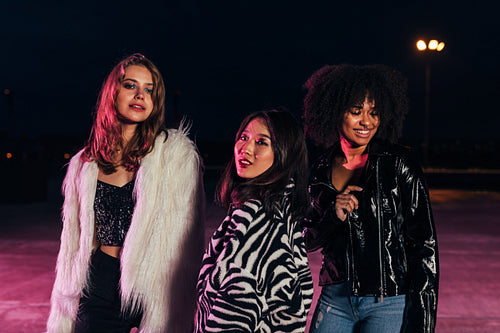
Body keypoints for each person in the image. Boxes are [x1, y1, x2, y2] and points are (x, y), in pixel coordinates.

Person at [46, 53, 204, 333]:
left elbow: (188, 238)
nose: (140, 95)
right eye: (131, 85)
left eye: (149, 89)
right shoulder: (85, 164)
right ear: (113, 92)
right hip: (102, 281)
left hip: (155, 285)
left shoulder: (175, 156)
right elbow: (76, 239)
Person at [302, 64, 439, 333]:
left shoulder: (399, 162)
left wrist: (422, 322)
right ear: (334, 111)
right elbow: (306, 240)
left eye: (374, 113)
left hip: (389, 301)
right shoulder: (320, 168)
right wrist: (333, 214)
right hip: (335, 298)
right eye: (356, 112)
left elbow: (425, 245)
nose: (367, 122)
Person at [194, 109, 314, 332]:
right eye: (243, 137)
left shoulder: (259, 223)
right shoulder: (279, 210)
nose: (246, 148)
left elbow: (234, 312)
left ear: (284, 154)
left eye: (261, 142)